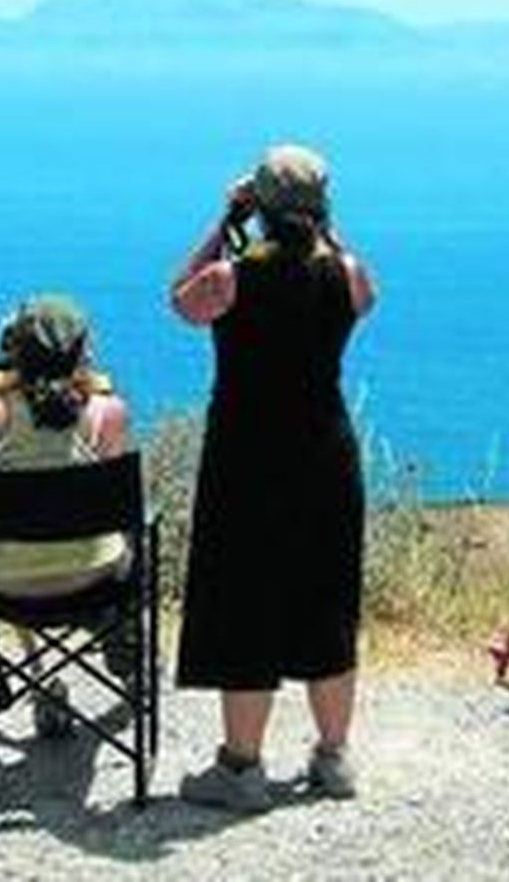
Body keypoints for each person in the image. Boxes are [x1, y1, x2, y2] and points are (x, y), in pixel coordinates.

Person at [169, 143, 376, 811]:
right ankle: (333, 757)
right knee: (326, 598)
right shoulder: (346, 274)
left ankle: (241, 767)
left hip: (248, 455)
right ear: (321, 209)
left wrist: (223, 219)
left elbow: (181, 298)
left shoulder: (232, 279)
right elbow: (361, 289)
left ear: (259, 205)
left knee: (245, 600)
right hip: (326, 453)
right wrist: (327, 227)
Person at [0, 294, 132, 735]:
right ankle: (128, 656)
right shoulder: (109, 411)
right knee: (118, 546)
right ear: (82, 351)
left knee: (13, 546)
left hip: (6, 585)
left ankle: (43, 684)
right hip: (95, 578)